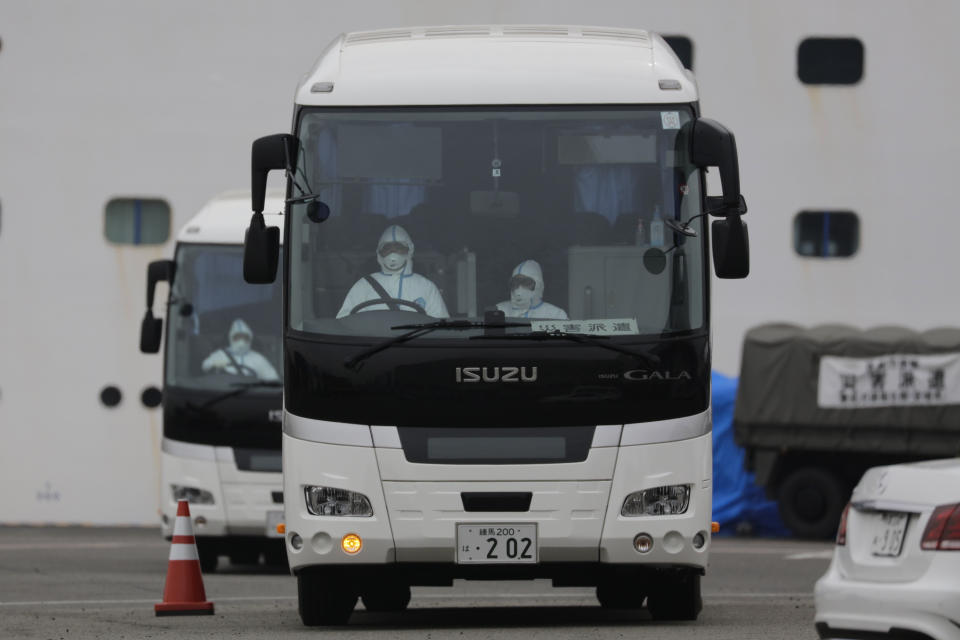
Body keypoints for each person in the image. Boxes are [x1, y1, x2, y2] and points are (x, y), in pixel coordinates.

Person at [336, 224, 449, 318]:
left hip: (414, 344)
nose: (392, 255)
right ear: (379, 252)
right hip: (372, 343)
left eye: (399, 249)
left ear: (409, 250)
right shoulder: (363, 285)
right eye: (387, 249)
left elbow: (440, 326)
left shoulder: (426, 287)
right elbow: (345, 322)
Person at [201, 318, 279, 380]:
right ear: (231, 339)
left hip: (252, 397)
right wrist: (217, 363)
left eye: (245, 337)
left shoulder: (258, 358)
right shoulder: (221, 354)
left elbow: (272, 380)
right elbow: (205, 366)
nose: (241, 341)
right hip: (223, 395)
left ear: (250, 339)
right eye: (237, 337)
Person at [497, 260, 568, 319]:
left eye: (526, 284)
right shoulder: (499, 311)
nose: (518, 291)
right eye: (515, 284)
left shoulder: (556, 314)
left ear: (538, 286)